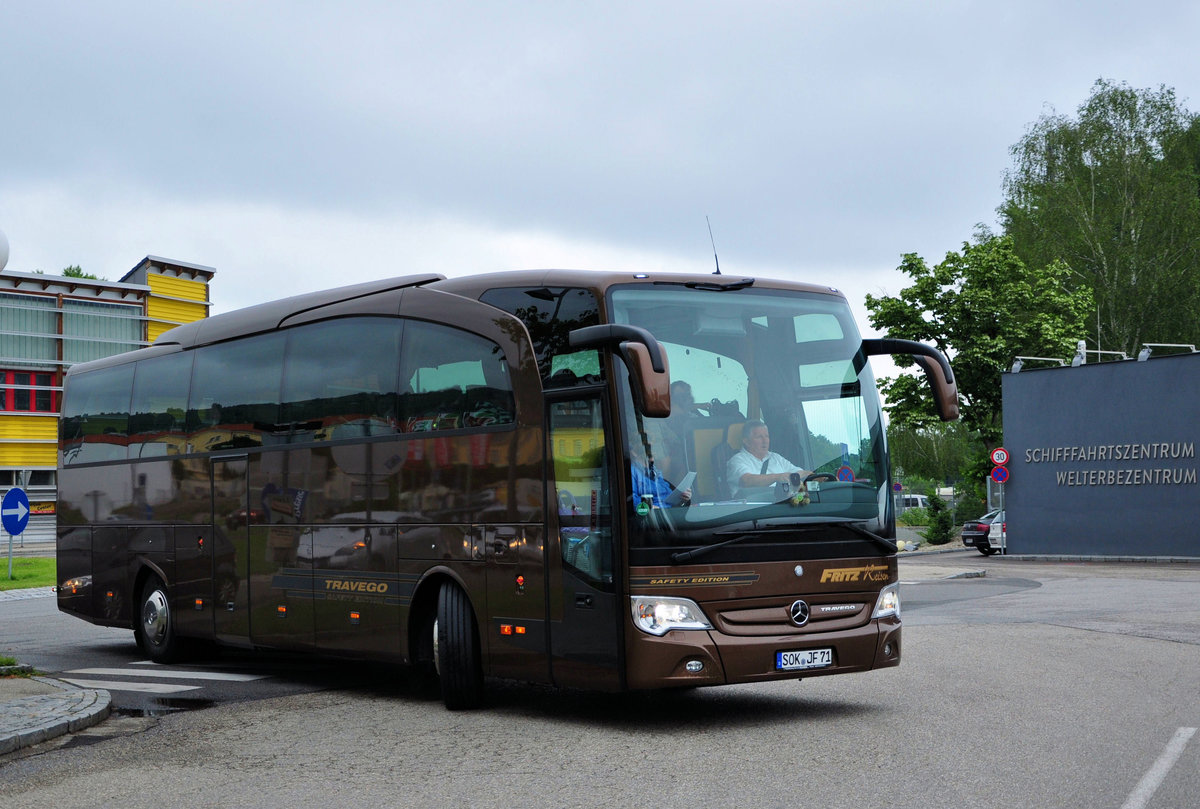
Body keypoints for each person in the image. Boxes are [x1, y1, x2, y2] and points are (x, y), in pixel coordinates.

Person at [726, 420, 807, 500]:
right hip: (753, 510)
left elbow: (802, 473)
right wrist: (777, 477)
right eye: (759, 437)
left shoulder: (775, 457)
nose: (765, 441)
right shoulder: (737, 460)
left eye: (767, 436)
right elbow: (746, 481)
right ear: (746, 441)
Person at [629, 437, 691, 508]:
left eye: (653, 448)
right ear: (634, 452)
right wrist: (649, 507)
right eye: (648, 448)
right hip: (653, 515)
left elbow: (668, 496)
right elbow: (631, 500)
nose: (653, 451)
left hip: (668, 513)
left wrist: (682, 498)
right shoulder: (632, 471)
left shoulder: (654, 470)